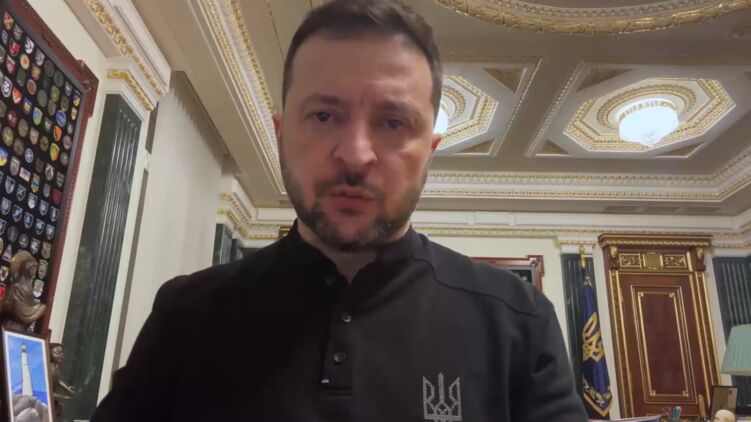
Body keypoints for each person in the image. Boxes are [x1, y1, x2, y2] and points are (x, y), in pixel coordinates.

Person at [91, 0, 587, 420]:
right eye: (324, 115)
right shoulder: (186, 314)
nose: (355, 154)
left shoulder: (519, 321)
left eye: (393, 122)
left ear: (429, 151)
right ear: (281, 135)